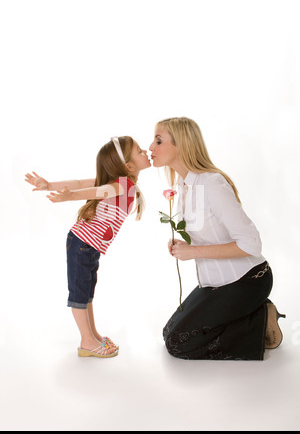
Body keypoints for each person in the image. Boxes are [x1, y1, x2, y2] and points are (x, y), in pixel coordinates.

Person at [149, 117, 285, 360]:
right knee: (169, 332)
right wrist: (187, 246)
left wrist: (195, 252)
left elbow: (251, 243)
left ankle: (261, 318)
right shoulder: (183, 185)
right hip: (216, 283)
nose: (151, 148)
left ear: (181, 144)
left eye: (158, 141)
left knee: (178, 345)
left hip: (247, 280)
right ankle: (252, 313)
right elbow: (208, 236)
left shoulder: (212, 183)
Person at [25, 136, 151, 358]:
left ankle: (93, 335)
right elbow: (92, 191)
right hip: (82, 244)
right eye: (140, 150)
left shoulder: (122, 183)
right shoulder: (120, 185)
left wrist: (55, 187)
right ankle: (86, 342)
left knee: (87, 290)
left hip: (88, 247)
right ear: (129, 166)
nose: (146, 152)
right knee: (79, 294)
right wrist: (64, 194)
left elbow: (81, 183)